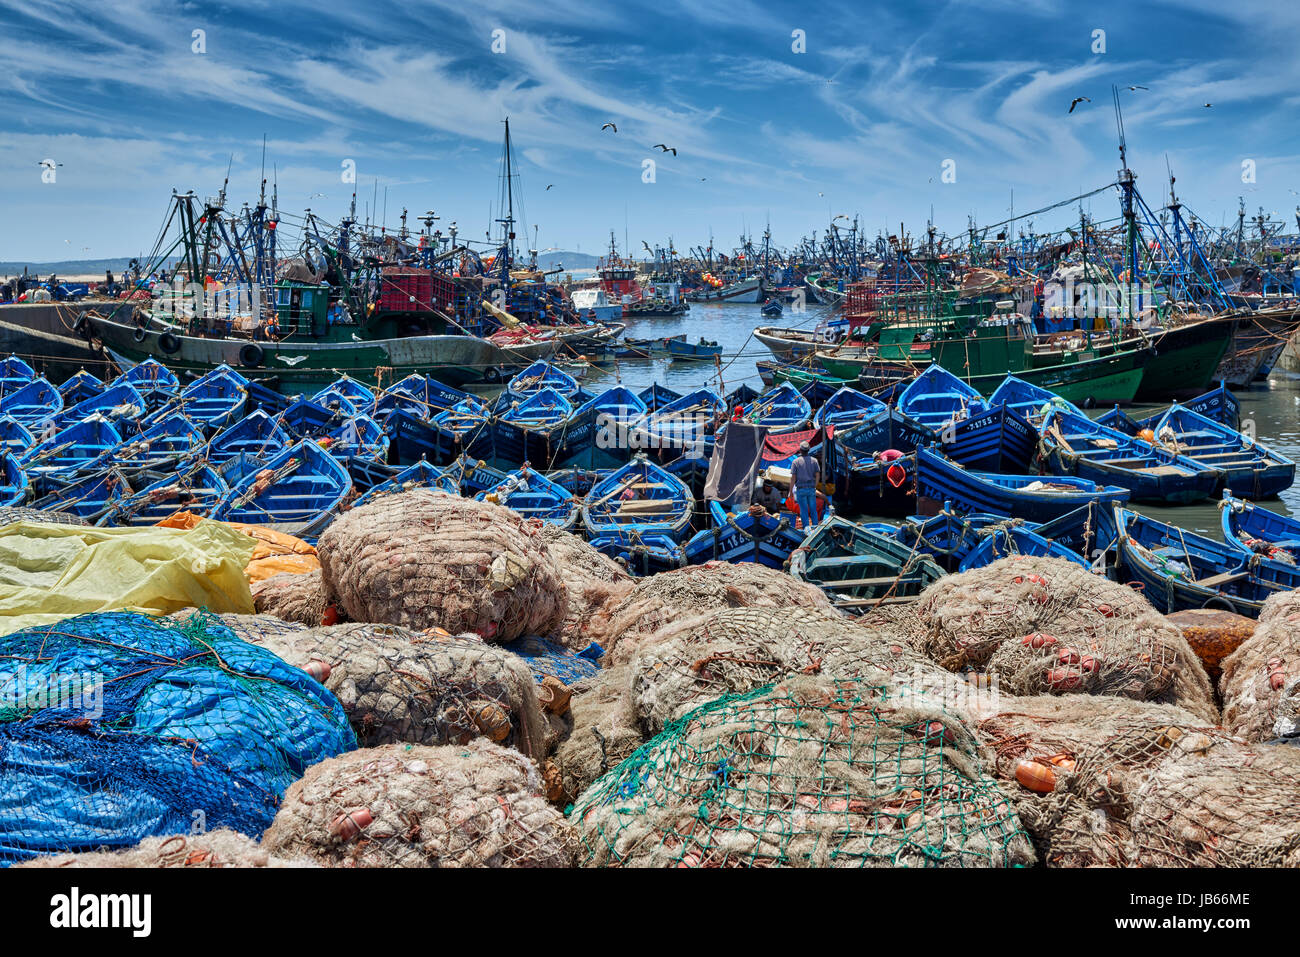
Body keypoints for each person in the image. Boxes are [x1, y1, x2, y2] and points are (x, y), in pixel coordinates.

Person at [790, 441, 821, 530]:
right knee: (813, 509)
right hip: (811, 488)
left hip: (801, 489)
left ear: (800, 450)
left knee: (803, 511)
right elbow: (818, 475)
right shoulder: (814, 461)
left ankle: (806, 529)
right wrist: (814, 486)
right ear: (808, 450)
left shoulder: (795, 462)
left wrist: (790, 492)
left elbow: (793, 478)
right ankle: (815, 527)